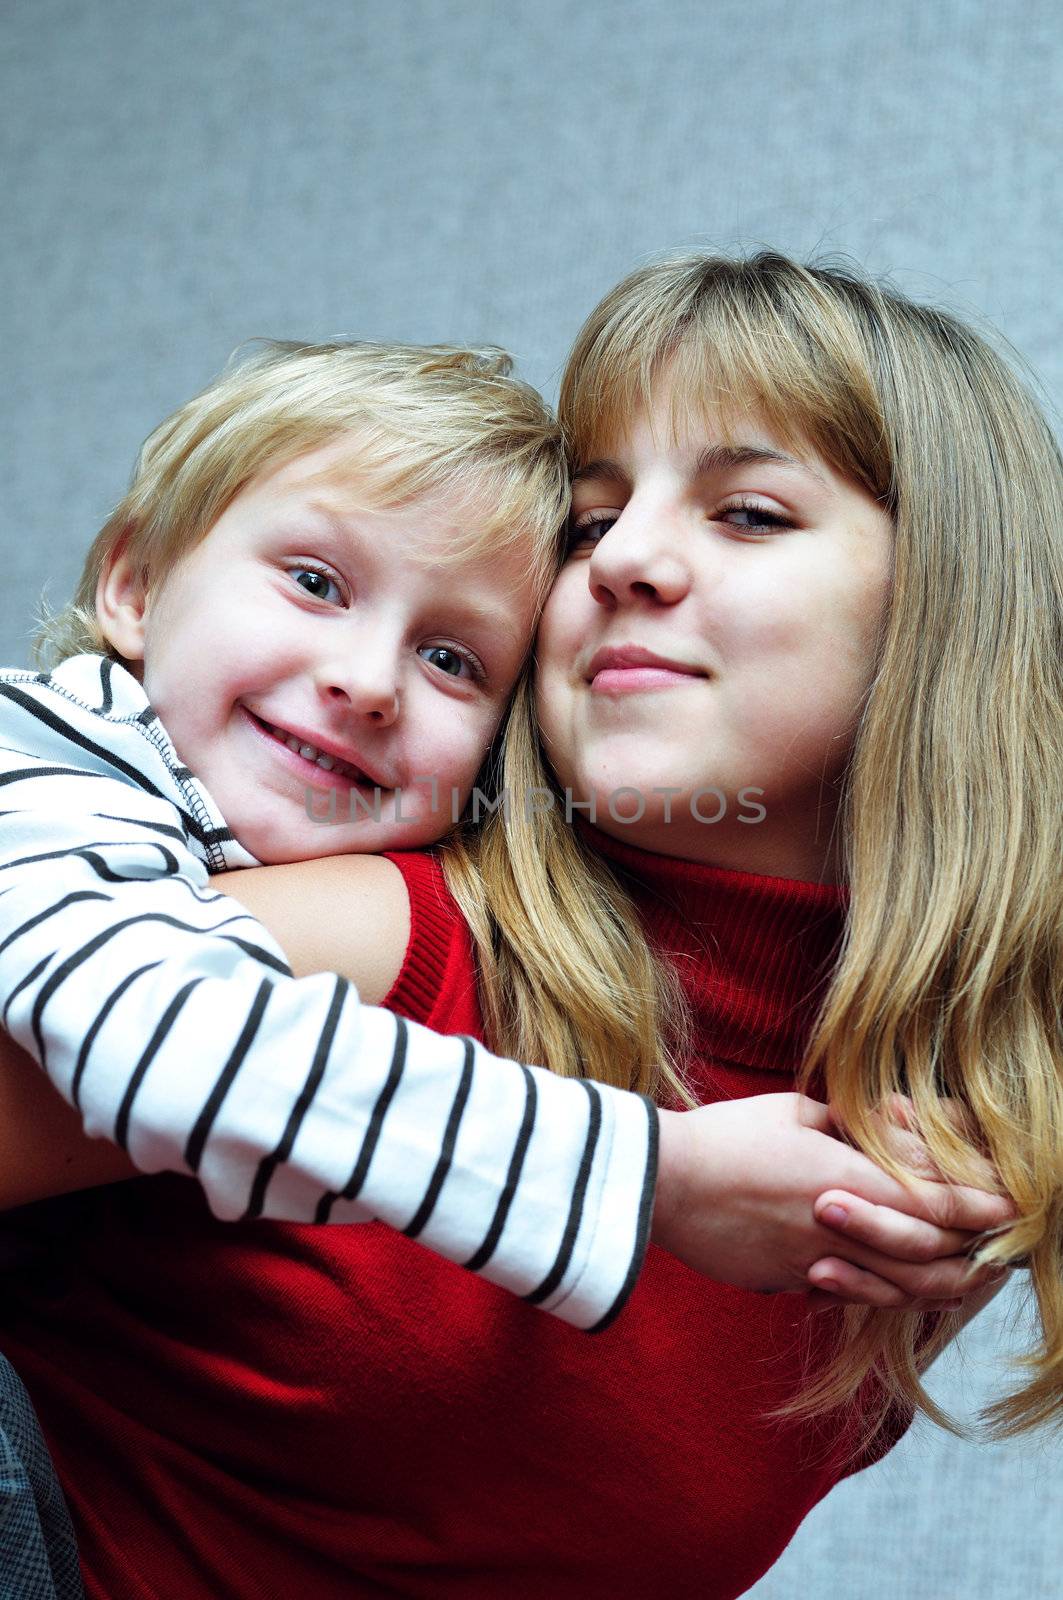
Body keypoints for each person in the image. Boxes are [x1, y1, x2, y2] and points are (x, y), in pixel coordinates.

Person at [2, 251, 1053, 1596]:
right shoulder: (360, 939)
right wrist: (646, 1180)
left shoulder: (930, 1156)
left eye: (745, 513)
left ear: (951, 614)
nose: (626, 564)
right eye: (590, 520)